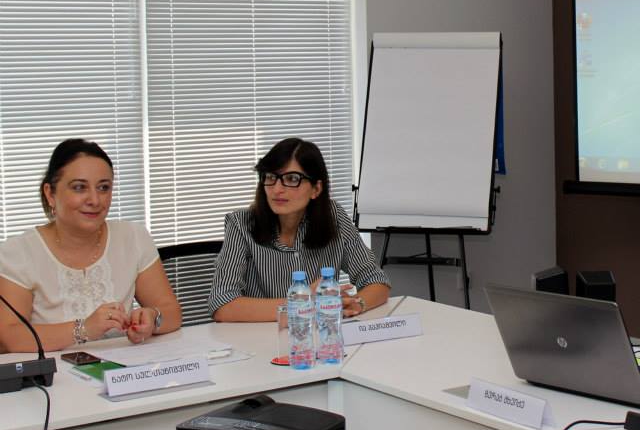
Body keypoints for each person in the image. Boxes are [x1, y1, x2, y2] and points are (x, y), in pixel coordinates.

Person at [0, 139, 182, 352]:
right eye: (79, 187)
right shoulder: (18, 252)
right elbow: (9, 337)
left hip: (126, 368)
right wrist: (83, 329)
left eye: (104, 188)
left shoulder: (133, 237)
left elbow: (172, 313)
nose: (95, 200)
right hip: (51, 371)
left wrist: (153, 318)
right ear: (50, 194)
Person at [208, 138, 390, 321]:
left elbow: (376, 280)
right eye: (270, 177)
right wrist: (300, 303)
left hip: (319, 333)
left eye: (292, 179)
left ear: (316, 189)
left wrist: (356, 304)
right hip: (259, 335)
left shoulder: (333, 216)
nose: (277, 189)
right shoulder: (241, 224)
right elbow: (222, 304)